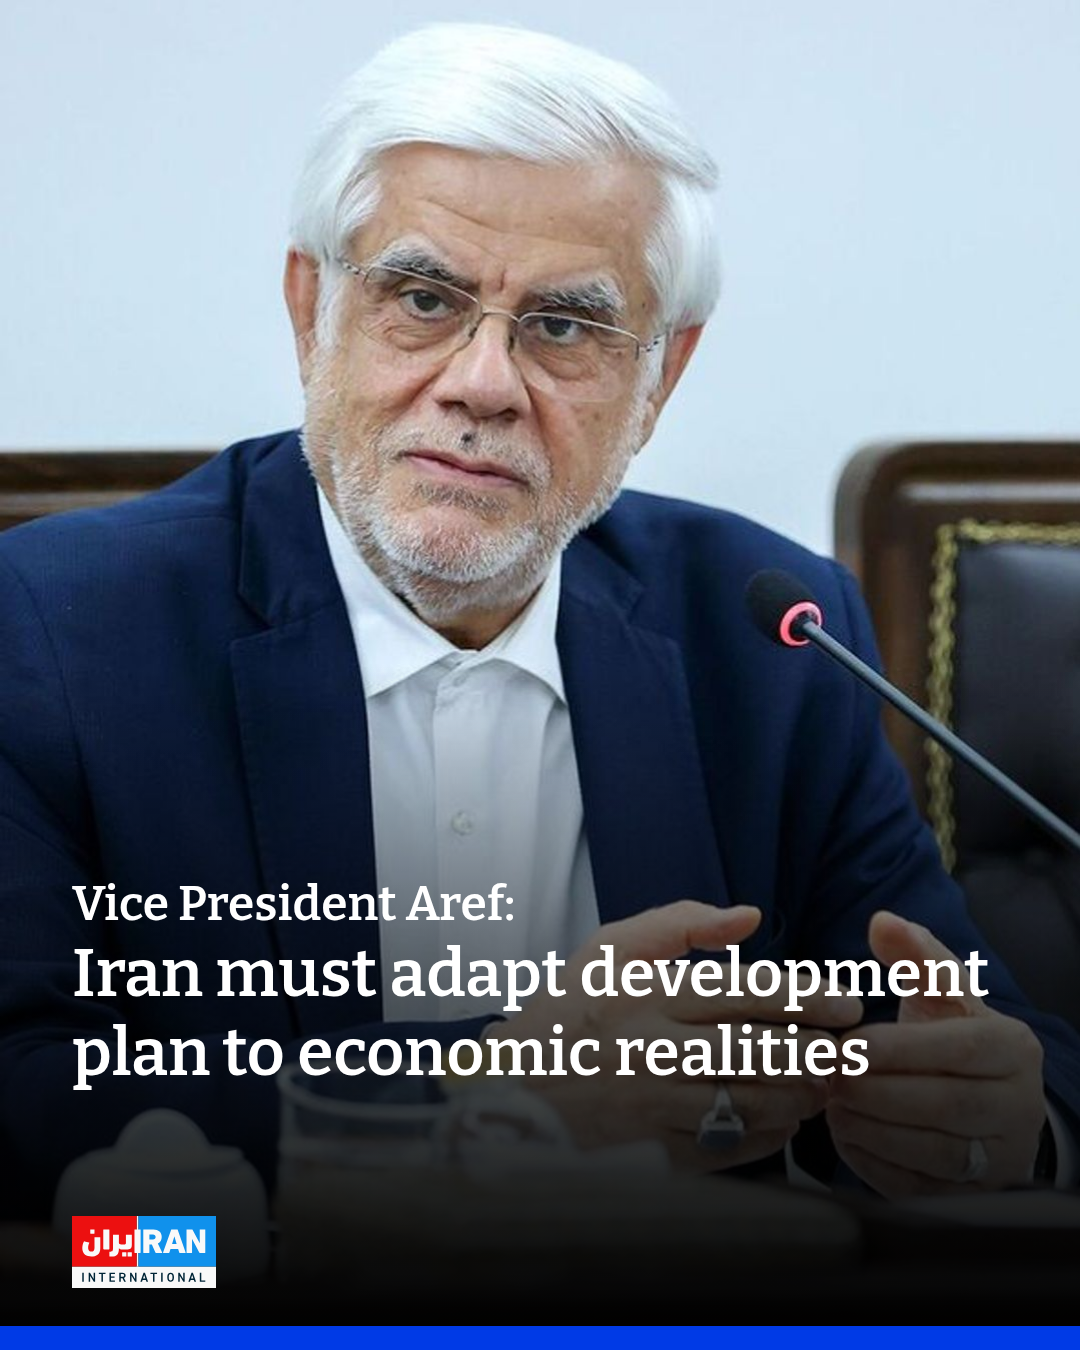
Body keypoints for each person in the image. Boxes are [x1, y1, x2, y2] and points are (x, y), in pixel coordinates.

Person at [0, 24, 1076, 1217]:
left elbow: (984, 1037)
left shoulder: (769, 634)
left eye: (564, 326)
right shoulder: (54, 628)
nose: (483, 383)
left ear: (661, 378)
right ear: (311, 310)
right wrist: (489, 1098)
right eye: (423, 299)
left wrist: (1005, 1124)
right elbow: (24, 1108)